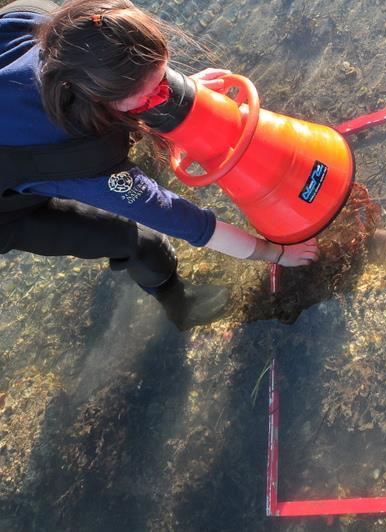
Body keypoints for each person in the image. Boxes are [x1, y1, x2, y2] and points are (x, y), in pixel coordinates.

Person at [0, 0, 320, 330]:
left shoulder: (37, 19)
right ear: (100, 96)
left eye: (163, 76)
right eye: (152, 93)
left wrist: (181, 88)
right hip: (7, 209)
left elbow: (122, 59)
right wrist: (276, 253)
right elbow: (187, 222)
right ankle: (179, 307)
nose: (165, 91)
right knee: (142, 240)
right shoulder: (79, 155)